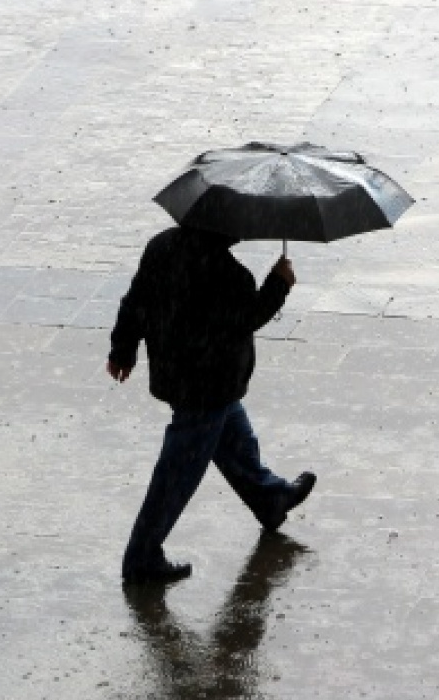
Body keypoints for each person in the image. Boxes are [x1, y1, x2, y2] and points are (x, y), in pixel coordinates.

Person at [106, 224, 316, 584]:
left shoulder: (162, 246)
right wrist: (279, 283)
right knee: (178, 472)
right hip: (209, 384)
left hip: (178, 375)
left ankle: (271, 498)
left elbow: (136, 301)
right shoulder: (228, 275)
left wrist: (123, 348)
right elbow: (248, 317)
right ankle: (142, 556)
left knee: (234, 437)